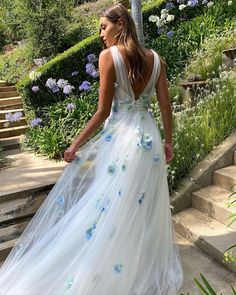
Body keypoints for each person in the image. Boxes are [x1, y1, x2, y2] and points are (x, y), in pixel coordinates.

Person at [0, 3, 184, 295]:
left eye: (103, 26)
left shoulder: (108, 57)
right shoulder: (156, 59)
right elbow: (165, 105)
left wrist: (75, 144)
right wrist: (169, 141)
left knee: (109, 209)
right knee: (140, 209)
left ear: (121, 24)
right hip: (149, 142)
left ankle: (109, 272)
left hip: (122, 141)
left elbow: (102, 111)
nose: (101, 34)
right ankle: (136, 268)